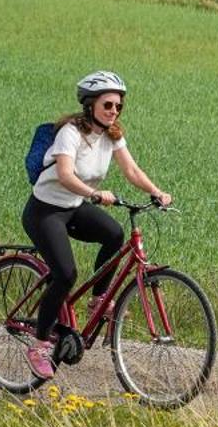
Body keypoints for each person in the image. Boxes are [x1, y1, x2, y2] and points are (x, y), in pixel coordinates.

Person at [22, 69, 171, 380]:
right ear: (90, 105)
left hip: (74, 207)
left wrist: (156, 192)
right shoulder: (70, 133)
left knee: (114, 234)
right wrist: (93, 193)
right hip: (45, 211)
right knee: (65, 274)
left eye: (118, 106)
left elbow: (131, 169)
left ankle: (99, 301)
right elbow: (64, 174)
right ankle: (38, 344)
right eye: (108, 105)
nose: (114, 111)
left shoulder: (111, 136)